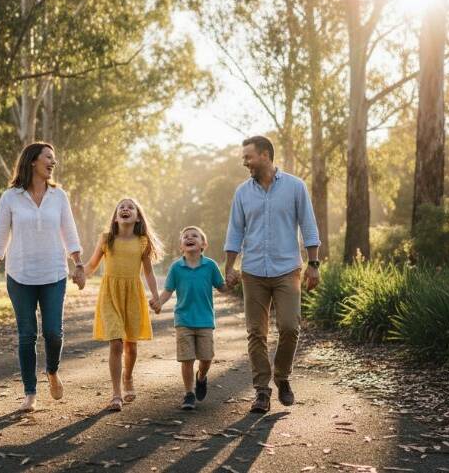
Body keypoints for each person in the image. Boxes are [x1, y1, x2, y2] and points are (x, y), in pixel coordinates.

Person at [0, 142, 85, 413]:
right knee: (27, 335)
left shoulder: (58, 196)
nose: (53, 163)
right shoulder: (10, 197)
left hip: (53, 273)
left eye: (54, 158)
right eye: (48, 158)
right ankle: (30, 393)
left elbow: (70, 232)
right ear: (32, 162)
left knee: (53, 333)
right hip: (19, 275)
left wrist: (79, 264)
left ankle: (52, 371)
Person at [223, 135, 321, 414]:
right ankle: (262, 391)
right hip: (253, 271)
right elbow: (235, 232)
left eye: (248, 157)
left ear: (265, 155)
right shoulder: (242, 192)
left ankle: (282, 376)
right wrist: (229, 267)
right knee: (256, 333)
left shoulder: (294, 187)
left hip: (287, 270)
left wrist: (314, 264)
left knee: (290, 327)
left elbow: (309, 226)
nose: (245, 162)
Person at [84, 197, 163, 411]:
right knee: (116, 342)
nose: (125, 209)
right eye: (121, 207)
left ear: (137, 217)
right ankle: (116, 394)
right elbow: (91, 265)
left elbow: (148, 272)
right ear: (116, 216)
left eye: (131, 207)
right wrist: (80, 274)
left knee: (132, 345)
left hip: (133, 295)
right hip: (110, 294)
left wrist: (156, 296)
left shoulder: (142, 241)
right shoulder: (106, 239)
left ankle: (128, 377)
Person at [151, 226, 226, 410]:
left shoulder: (210, 266)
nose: (189, 238)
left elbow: (222, 287)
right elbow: (168, 290)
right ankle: (188, 393)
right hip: (183, 320)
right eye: (186, 236)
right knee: (187, 359)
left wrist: (233, 281)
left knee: (207, 357)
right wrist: (159, 302)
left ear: (203, 244)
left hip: (205, 320)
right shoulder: (176, 267)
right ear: (181, 246)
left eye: (195, 236)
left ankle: (201, 377)